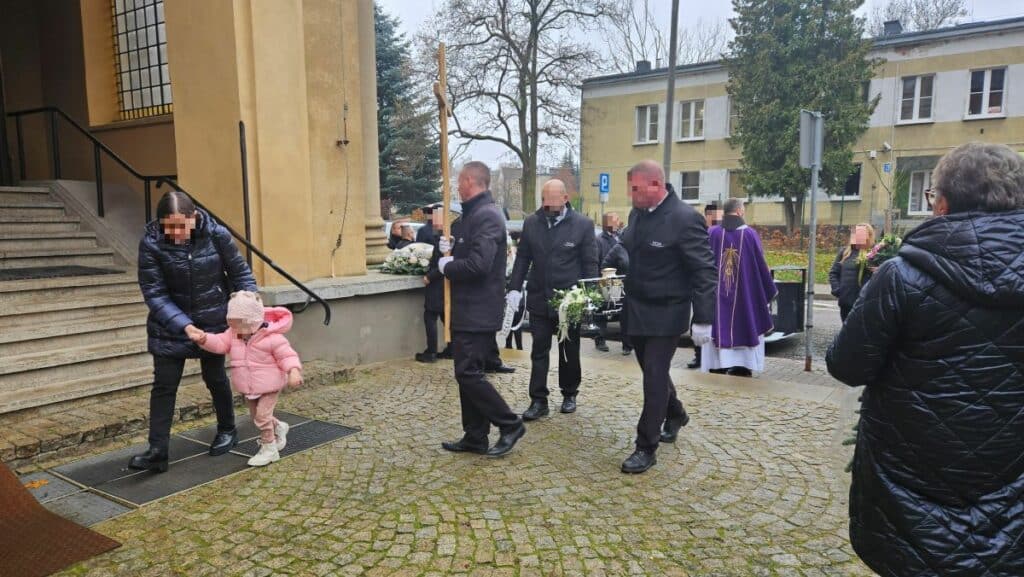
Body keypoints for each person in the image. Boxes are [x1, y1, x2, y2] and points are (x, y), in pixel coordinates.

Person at [826, 142, 1024, 577]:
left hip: (909, 485)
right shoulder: (904, 274)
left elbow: (846, 365)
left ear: (944, 203)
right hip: (1011, 484)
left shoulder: (902, 275)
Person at [130, 190, 257, 473]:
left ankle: (227, 429)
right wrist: (184, 325)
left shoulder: (216, 235)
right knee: (164, 386)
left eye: (180, 225)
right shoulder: (151, 244)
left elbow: (240, 273)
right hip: (170, 326)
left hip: (213, 321)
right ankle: (157, 451)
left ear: (194, 218)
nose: (174, 233)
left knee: (215, 378)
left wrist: (249, 305)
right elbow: (154, 292)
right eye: (168, 226)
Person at [618, 160, 716, 474]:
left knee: (654, 376)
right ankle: (676, 414)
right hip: (637, 308)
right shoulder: (637, 214)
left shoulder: (685, 219)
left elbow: (704, 270)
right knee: (652, 371)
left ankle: (645, 447)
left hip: (667, 311)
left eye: (635, 188)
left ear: (656, 185)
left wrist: (703, 318)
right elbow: (630, 248)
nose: (630, 194)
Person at [438, 161, 525, 457]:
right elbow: (471, 254)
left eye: (459, 181)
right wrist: (449, 249)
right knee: (467, 372)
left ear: (469, 181)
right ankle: (475, 435)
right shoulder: (472, 216)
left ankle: (509, 423)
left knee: (468, 373)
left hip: (477, 310)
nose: (456, 187)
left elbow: (479, 265)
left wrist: (447, 265)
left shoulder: (487, 216)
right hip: (468, 309)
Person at [508, 179, 599, 419]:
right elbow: (522, 258)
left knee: (569, 349)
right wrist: (514, 288)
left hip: (569, 299)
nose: (547, 205)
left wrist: (589, 296)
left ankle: (569, 393)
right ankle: (538, 400)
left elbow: (590, 262)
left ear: (565, 198)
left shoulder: (582, 225)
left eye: (552, 201)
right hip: (539, 296)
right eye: (544, 200)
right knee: (539, 349)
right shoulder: (532, 223)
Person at [191, 291, 303, 467]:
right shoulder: (234, 333)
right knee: (256, 417)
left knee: (262, 417)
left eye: (240, 324)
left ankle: (269, 448)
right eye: (232, 323)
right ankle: (279, 427)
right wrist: (204, 339)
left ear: (254, 321)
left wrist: (293, 372)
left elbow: (287, 356)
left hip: (270, 385)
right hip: (249, 386)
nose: (236, 328)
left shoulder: (272, 337)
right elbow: (220, 343)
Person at [701, 198, 777, 377]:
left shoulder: (712, 233)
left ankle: (717, 364)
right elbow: (760, 267)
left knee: (718, 325)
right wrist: (767, 289)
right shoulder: (750, 235)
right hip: (745, 298)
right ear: (740, 211)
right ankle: (742, 366)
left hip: (716, 297)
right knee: (745, 320)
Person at [688, 203, 723, 369]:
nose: (718, 219)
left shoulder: (721, 233)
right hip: (701, 284)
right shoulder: (702, 232)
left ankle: (713, 357)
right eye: (715, 216)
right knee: (699, 318)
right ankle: (699, 355)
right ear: (708, 215)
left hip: (717, 283)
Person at [828, 223, 876, 321]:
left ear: (869, 236)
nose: (858, 237)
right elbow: (834, 273)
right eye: (856, 234)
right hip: (846, 302)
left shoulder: (875, 253)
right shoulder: (844, 252)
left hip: (865, 303)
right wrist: (838, 290)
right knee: (846, 332)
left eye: (862, 234)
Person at [417, 208, 447, 363]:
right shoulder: (444, 234)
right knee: (444, 316)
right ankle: (452, 347)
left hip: (437, 283)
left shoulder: (443, 237)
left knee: (430, 316)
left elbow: (441, 263)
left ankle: (431, 352)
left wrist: (429, 276)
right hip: (445, 284)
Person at [593, 212, 621, 352]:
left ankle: (627, 343)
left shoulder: (620, 238)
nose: (618, 223)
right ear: (607, 223)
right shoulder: (599, 240)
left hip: (618, 280)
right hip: (604, 279)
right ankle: (600, 339)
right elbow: (596, 261)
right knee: (601, 311)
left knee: (622, 310)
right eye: (615, 220)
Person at [600, 241, 633, 356]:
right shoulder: (618, 248)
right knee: (626, 317)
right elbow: (605, 266)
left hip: (640, 287)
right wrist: (615, 280)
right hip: (623, 288)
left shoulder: (641, 245)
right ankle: (627, 345)